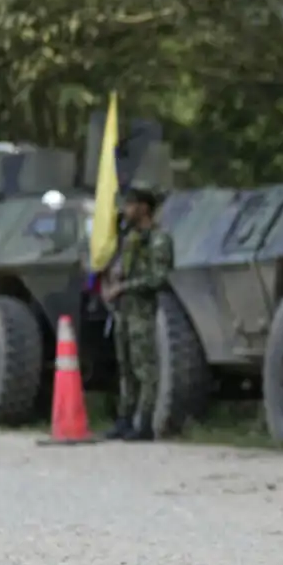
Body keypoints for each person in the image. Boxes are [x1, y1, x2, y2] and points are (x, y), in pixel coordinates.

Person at [101, 180, 174, 442]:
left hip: (142, 312)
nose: (126, 209)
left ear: (144, 208)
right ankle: (125, 419)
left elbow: (159, 278)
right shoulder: (131, 239)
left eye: (131, 204)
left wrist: (124, 287)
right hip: (124, 312)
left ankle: (144, 424)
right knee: (127, 369)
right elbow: (122, 269)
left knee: (146, 370)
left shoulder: (158, 240)